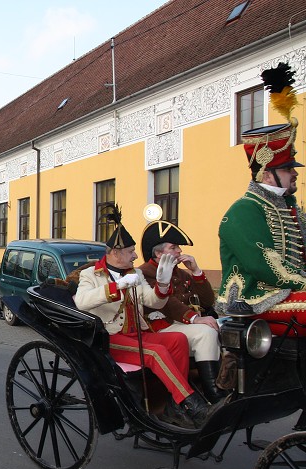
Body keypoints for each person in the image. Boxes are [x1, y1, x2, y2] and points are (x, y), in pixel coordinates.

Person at [73, 206, 219, 428]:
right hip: (110, 338)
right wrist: (116, 287)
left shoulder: (136, 274)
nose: (135, 255)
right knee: (155, 352)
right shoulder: (90, 274)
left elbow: (153, 301)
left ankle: (172, 405)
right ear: (114, 253)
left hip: (137, 333)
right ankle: (190, 402)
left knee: (178, 340)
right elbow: (82, 301)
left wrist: (162, 284)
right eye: (130, 251)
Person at [217, 62, 306, 335]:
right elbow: (263, 264)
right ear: (267, 174)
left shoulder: (291, 208)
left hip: (285, 293)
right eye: (288, 169)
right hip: (253, 298)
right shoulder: (244, 211)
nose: (294, 174)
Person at [138, 221, 225, 403]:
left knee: (226, 330)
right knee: (206, 333)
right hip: (161, 327)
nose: (179, 251)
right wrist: (194, 318)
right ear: (159, 253)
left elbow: (208, 301)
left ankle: (219, 383)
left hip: (181, 325)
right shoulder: (145, 273)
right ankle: (213, 393)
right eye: (174, 247)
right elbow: (166, 302)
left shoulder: (181, 274)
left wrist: (197, 271)